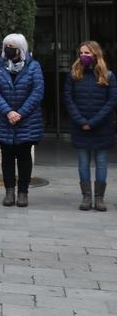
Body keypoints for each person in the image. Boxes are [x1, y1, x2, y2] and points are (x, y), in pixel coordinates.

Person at [0, 33, 44, 208]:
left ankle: (23, 193)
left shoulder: (33, 66)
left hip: (26, 120)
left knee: (24, 156)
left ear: (21, 48)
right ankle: (9, 192)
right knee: (7, 157)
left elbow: (37, 92)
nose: (8, 49)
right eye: (6, 45)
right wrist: (8, 112)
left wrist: (19, 113)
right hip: (4, 119)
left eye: (12, 46)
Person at [65, 40, 116, 211]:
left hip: (102, 127)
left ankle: (99, 198)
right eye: (81, 53)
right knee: (83, 163)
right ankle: (86, 197)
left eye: (87, 53)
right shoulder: (73, 74)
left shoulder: (108, 75)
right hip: (80, 126)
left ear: (95, 54)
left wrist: (93, 121)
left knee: (101, 162)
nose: (83, 56)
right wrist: (81, 120)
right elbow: (68, 99)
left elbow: (111, 102)